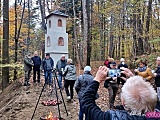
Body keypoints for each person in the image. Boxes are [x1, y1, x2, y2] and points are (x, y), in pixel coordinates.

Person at [81, 66, 158, 120]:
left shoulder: (110, 117)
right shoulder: (156, 115)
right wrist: (135, 80)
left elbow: (86, 102)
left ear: (123, 103)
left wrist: (97, 79)